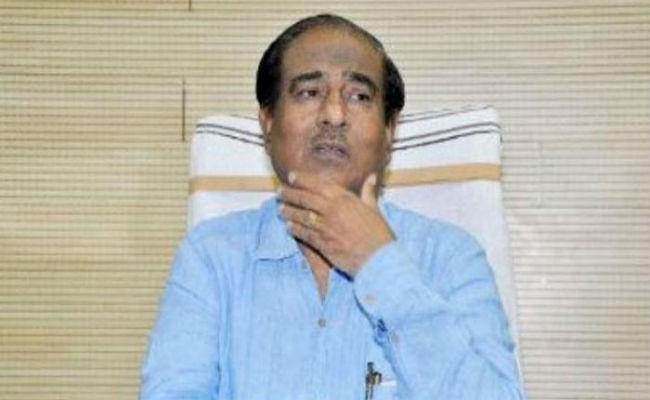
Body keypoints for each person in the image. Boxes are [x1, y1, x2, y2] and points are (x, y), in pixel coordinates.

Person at [140, 14, 525, 400]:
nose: (334, 114)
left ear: (389, 130)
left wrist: (380, 265)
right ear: (268, 121)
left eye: (359, 96)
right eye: (309, 92)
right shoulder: (211, 257)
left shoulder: (451, 256)